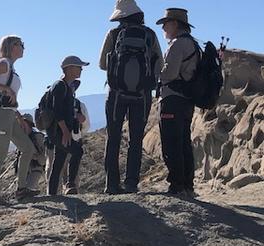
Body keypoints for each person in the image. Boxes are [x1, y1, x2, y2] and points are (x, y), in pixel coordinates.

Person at [99, 0, 163, 194]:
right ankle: (132, 182)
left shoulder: (113, 34)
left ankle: (111, 184)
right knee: (136, 139)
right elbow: (159, 63)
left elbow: (102, 63)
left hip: (116, 94)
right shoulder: (150, 35)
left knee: (113, 137)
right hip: (142, 95)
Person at [0, 35, 37, 207]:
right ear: (12, 46)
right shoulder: (4, 63)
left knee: (28, 148)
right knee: (1, 153)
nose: (23, 48)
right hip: (2, 115)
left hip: (10, 114)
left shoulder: (10, 66)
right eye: (21, 44)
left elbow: (10, 97)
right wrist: (5, 89)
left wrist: (19, 117)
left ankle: (21, 189)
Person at [156, 8, 198, 196]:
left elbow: (169, 74)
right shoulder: (193, 44)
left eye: (165, 23)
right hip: (187, 100)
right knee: (183, 142)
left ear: (174, 24)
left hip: (172, 98)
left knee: (171, 142)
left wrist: (156, 70)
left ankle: (176, 185)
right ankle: (188, 185)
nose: (163, 27)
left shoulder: (177, 45)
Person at [47, 56, 89, 196]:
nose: (81, 70)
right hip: (58, 131)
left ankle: (52, 193)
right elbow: (57, 110)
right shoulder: (60, 86)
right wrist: (65, 131)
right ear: (69, 68)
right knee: (77, 151)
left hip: (60, 131)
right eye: (79, 67)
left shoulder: (66, 87)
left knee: (59, 161)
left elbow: (65, 111)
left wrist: (76, 117)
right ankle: (70, 185)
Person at [14, 114, 46, 192]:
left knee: (28, 190)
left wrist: (33, 156)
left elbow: (43, 160)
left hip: (35, 169)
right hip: (23, 172)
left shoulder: (38, 138)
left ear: (30, 125)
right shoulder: (21, 138)